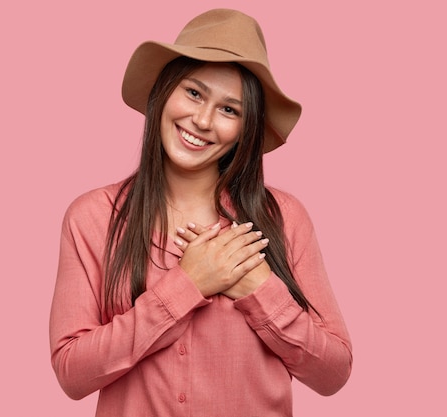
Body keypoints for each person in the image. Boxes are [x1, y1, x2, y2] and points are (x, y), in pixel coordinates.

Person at [49, 8, 352, 417]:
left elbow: (333, 373)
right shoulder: (93, 217)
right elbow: (72, 373)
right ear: (163, 92)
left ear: (247, 128)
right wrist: (188, 284)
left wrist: (259, 291)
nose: (203, 120)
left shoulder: (283, 218)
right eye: (193, 93)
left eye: (230, 110)